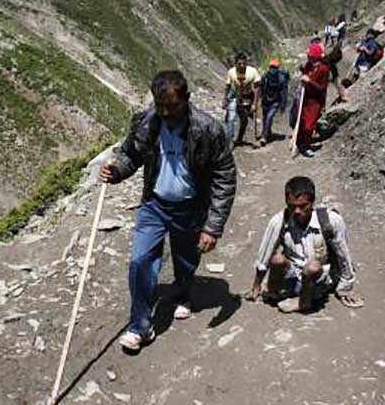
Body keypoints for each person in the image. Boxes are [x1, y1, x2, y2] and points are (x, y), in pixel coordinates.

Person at [101, 70, 237, 351]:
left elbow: (225, 175)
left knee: (186, 259)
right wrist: (116, 172)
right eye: (160, 106)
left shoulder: (208, 129)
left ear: (187, 99)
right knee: (140, 261)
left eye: (172, 106)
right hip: (154, 204)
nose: (166, 112)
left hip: (191, 206)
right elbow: (131, 155)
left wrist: (213, 226)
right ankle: (140, 326)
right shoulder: (146, 123)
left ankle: (184, 292)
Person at [245, 176, 363, 313]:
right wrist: (256, 287)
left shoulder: (331, 221)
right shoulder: (279, 221)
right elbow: (264, 257)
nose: (297, 211)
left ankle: (304, 302)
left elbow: (343, 256)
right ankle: (278, 292)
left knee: (312, 267)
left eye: (302, 206)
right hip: (292, 274)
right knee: (277, 259)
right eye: (292, 206)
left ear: (312, 202)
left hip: (317, 279)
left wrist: (345, 288)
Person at [297, 44, 330, 157]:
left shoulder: (323, 69)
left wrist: (309, 81)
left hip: (315, 102)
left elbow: (322, 88)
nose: (309, 58)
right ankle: (300, 142)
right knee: (301, 121)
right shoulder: (309, 65)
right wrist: (303, 71)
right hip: (305, 98)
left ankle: (306, 145)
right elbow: (306, 74)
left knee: (309, 125)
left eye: (311, 56)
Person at [222, 53, 261, 148]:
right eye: (239, 64)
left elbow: (256, 88)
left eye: (244, 63)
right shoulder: (231, 72)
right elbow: (227, 85)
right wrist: (225, 98)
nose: (242, 66)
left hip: (249, 97)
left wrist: (255, 103)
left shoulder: (252, 71)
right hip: (236, 96)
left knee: (247, 119)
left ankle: (251, 138)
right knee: (230, 118)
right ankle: (230, 141)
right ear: (235, 64)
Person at [258, 58, 288, 146]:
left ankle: (264, 136)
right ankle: (268, 132)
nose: (273, 69)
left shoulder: (281, 78)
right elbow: (260, 88)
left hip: (275, 102)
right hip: (266, 101)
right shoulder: (265, 76)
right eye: (272, 67)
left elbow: (284, 92)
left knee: (269, 117)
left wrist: (283, 104)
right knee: (265, 118)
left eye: (274, 67)